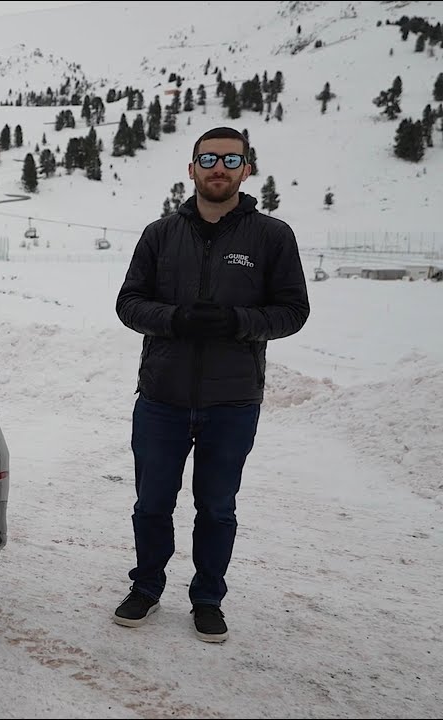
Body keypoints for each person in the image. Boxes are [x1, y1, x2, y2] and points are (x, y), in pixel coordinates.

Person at [113, 126, 311, 642]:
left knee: (217, 507)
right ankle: (147, 586)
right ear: (191, 168)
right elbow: (128, 303)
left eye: (230, 159)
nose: (217, 168)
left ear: (247, 169)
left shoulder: (272, 236)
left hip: (232, 400)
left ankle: (207, 598)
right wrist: (175, 318)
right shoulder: (159, 234)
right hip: (161, 398)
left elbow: (293, 311)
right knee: (151, 502)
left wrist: (236, 322)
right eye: (207, 158)